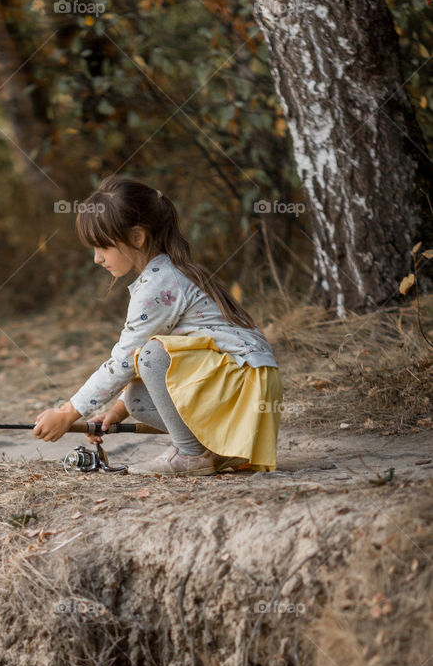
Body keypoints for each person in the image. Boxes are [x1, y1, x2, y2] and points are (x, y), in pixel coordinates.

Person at [32, 175, 282, 474]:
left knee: (150, 354)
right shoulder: (168, 272)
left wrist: (67, 412)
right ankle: (218, 450)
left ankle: (192, 455)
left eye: (103, 247)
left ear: (137, 238)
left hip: (243, 389)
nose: (97, 259)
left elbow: (125, 360)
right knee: (137, 398)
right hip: (244, 391)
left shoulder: (160, 285)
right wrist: (115, 412)